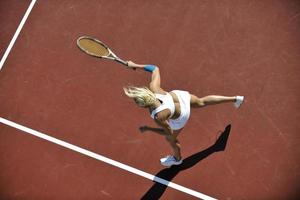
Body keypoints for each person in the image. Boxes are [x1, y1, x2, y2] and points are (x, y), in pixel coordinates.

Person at [123, 61, 244, 167]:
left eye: (137, 102)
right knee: (201, 101)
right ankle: (235, 99)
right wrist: (135, 65)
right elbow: (155, 68)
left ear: (144, 104)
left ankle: (177, 159)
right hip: (180, 97)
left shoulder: (158, 116)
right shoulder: (153, 88)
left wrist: (149, 128)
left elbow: (168, 132)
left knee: (171, 140)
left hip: (181, 115)